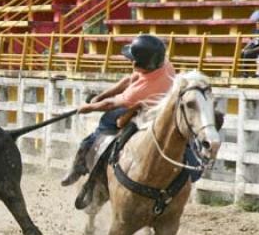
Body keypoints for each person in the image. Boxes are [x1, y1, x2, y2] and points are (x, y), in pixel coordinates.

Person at [61, 34, 176, 186]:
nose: (130, 61)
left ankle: (79, 166)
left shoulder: (139, 91)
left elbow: (110, 105)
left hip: (146, 110)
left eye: (133, 60)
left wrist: (88, 107)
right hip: (162, 108)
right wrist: (101, 96)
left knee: (106, 121)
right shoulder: (164, 64)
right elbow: (129, 80)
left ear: (140, 64)